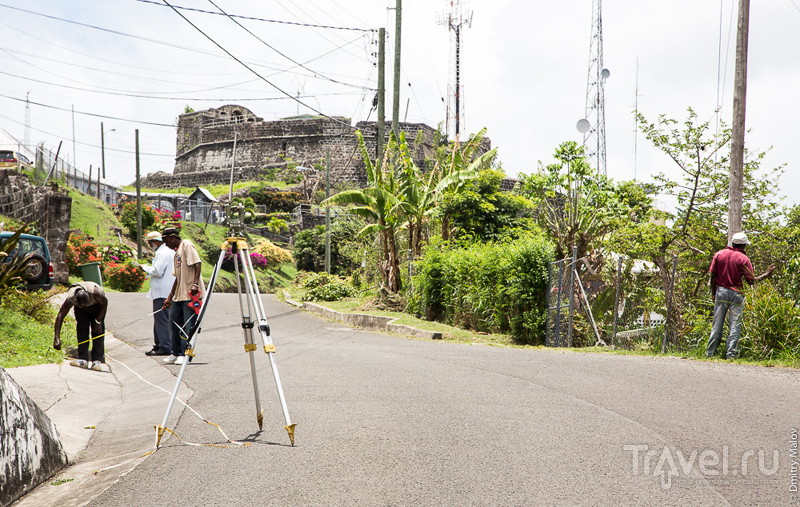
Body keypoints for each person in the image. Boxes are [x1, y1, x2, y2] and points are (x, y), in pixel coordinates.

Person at [706, 232, 775, 359]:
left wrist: (713, 293)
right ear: (743, 245)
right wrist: (767, 274)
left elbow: (713, 276)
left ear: (732, 243)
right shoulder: (743, 259)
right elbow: (751, 281)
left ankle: (710, 354)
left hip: (720, 291)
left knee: (717, 324)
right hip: (737, 294)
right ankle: (731, 355)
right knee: (734, 326)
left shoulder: (719, 254)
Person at [161, 227, 205, 365]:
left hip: (192, 294)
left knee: (188, 325)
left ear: (173, 237)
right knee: (173, 323)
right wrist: (169, 297)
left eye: (166, 241)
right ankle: (176, 352)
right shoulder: (176, 254)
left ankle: (186, 354)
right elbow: (177, 278)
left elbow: (197, 263)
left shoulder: (186, 244)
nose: (166, 245)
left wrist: (195, 284)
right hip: (179, 295)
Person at [136, 231, 175, 356]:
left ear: (155, 241)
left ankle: (164, 346)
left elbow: (157, 271)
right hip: (166, 290)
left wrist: (144, 267)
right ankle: (159, 344)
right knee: (162, 319)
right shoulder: (169, 252)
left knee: (162, 320)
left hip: (162, 291)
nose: (150, 245)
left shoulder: (162, 253)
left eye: (150, 243)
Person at [53, 281, 108, 371]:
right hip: (80, 310)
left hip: (97, 308)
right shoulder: (71, 298)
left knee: (98, 332)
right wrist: (56, 338)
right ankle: (83, 359)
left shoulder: (96, 293)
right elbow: (60, 316)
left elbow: (105, 303)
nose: (86, 307)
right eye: (83, 306)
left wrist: (98, 321)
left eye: (86, 305)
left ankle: (97, 361)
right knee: (82, 330)